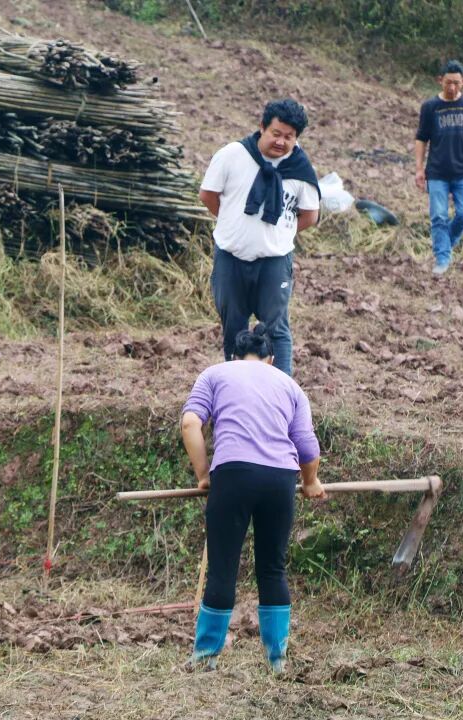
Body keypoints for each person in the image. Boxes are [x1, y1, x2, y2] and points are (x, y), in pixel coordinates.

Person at [180, 323, 325, 672]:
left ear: (233, 355)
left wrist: (203, 474)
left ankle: (206, 657)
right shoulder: (290, 386)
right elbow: (307, 446)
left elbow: (190, 423)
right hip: (279, 479)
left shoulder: (215, 374)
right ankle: (277, 659)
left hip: (233, 475)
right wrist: (310, 482)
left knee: (223, 568)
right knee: (272, 568)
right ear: (271, 359)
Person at [198, 99, 321, 377]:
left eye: (289, 137)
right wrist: (232, 222)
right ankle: (236, 388)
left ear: (297, 138)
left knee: (277, 329)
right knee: (234, 329)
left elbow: (310, 215)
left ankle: (281, 391)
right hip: (231, 257)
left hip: (274, 261)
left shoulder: (300, 168)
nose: (281, 142)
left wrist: (281, 233)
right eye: (276, 133)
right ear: (262, 127)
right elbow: (207, 195)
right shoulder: (233, 155)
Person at [414, 59, 463, 275]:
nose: (452, 87)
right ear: (440, 81)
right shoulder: (430, 107)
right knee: (438, 216)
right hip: (437, 172)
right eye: (448, 82)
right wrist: (419, 169)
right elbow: (421, 138)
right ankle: (442, 260)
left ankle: (444, 245)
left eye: (456, 83)